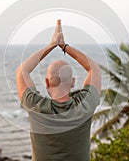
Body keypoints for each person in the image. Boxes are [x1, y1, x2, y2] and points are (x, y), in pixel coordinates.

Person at [16, 19, 101, 161]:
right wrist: (64, 46)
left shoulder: (36, 106)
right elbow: (94, 69)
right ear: (73, 82)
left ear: (47, 82)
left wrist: (51, 45)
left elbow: (21, 71)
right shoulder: (85, 105)